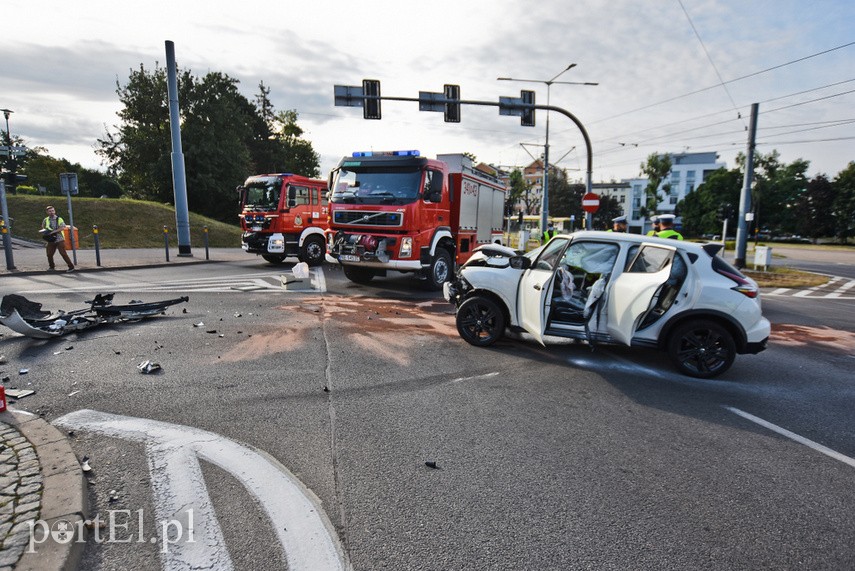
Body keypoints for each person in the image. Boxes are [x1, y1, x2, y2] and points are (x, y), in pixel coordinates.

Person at [40, 205, 75, 272]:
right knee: (49, 254)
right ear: (47, 212)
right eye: (50, 211)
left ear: (55, 211)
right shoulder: (46, 219)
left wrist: (53, 232)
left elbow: (62, 227)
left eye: (53, 210)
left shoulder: (59, 219)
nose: (52, 212)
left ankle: (71, 267)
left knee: (63, 253)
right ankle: (51, 267)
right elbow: (43, 227)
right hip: (50, 239)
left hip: (59, 239)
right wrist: (44, 231)